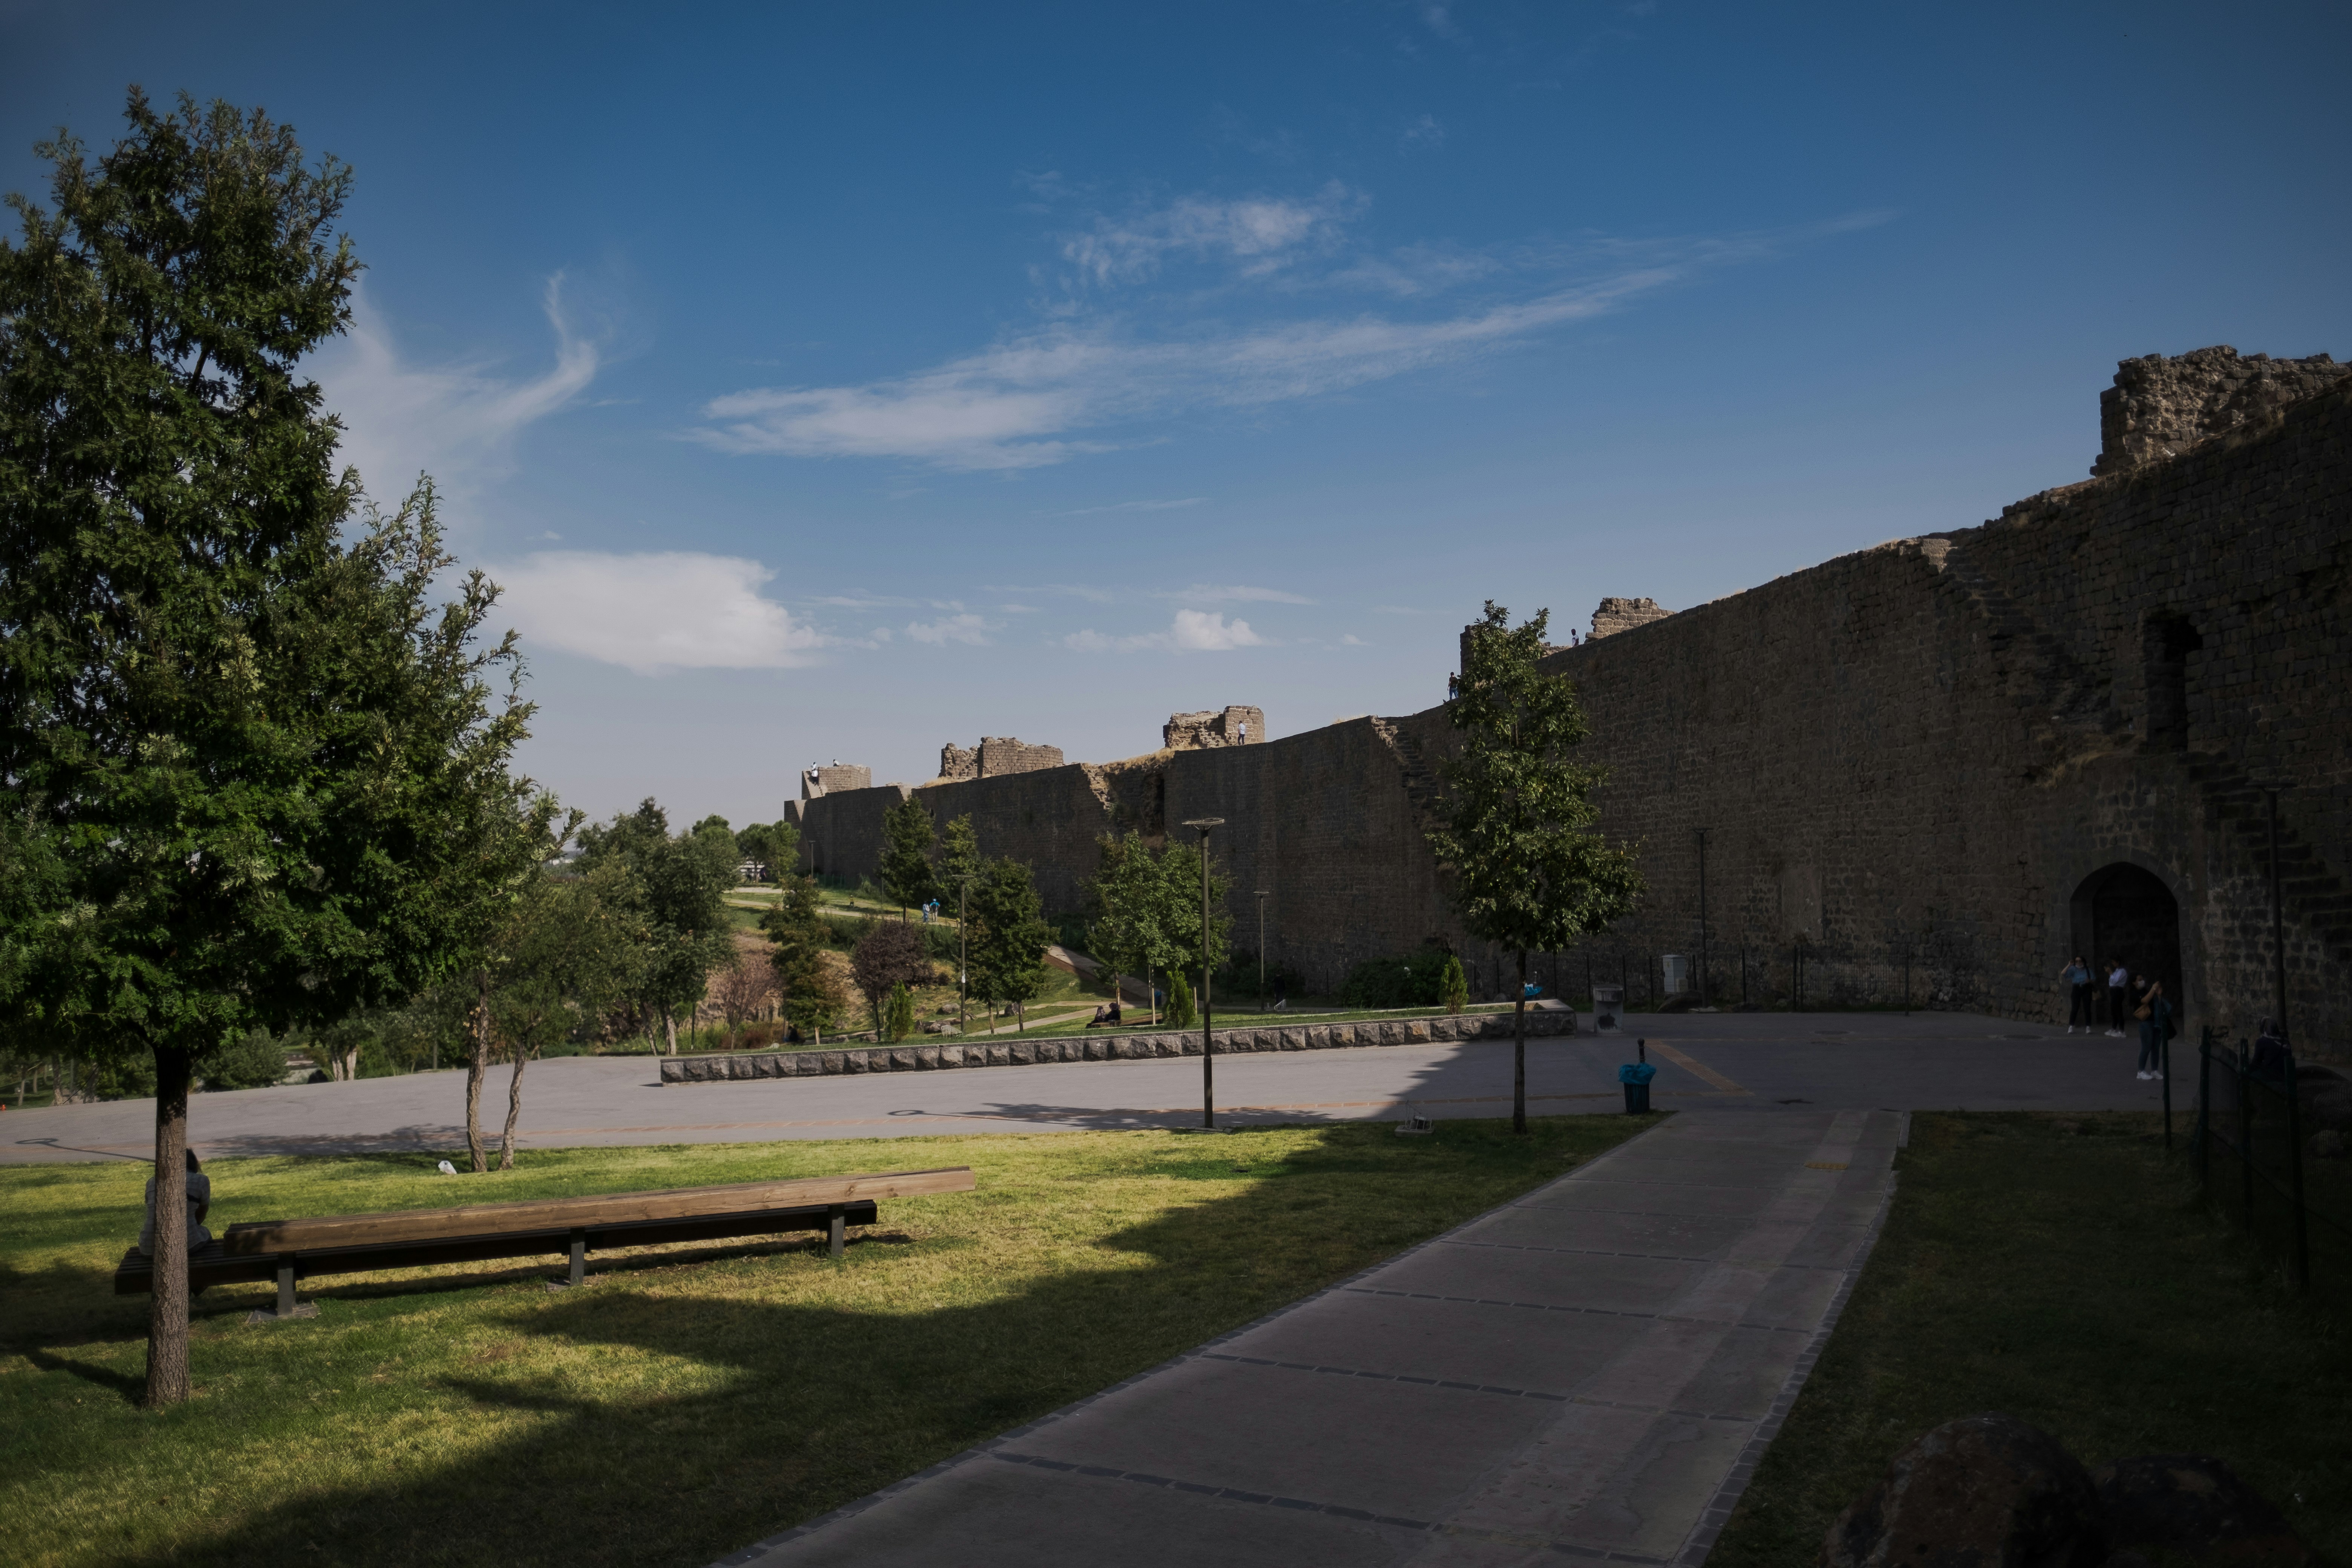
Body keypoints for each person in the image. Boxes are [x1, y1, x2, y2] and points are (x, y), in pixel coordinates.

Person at [139, 1148, 212, 1257]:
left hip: (148, 1247)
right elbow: (200, 1216)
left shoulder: (151, 1182)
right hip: (186, 1244)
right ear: (193, 1163)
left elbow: (150, 1208)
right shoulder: (201, 1181)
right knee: (206, 1234)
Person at [2134, 979, 2171, 1080]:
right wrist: (2153, 988)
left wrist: (2159, 995)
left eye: (2142, 979)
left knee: (2156, 1048)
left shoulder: (2150, 993)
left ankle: (2155, 1071)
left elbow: (2162, 1007)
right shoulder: (2137, 993)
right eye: (2139, 979)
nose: (2142, 981)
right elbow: (2144, 1001)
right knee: (2146, 1047)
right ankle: (2141, 1071)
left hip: (2156, 1024)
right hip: (2146, 1024)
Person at [2060, 955, 2093, 1032]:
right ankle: (2071, 1026)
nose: (2078, 963)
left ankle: (2088, 1027)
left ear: (2083, 962)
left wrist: (2090, 981)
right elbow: (2063, 973)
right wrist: (2069, 965)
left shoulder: (2088, 970)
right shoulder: (2073, 969)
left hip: (2086, 988)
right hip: (2077, 988)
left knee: (2087, 1008)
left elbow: (2093, 979)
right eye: (2077, 961)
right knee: (2075, 1008)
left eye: (2080, 961)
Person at [2104, 959, 2130, 1037]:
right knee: (2114, 1011)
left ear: (2118, 962)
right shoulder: (2117, 971)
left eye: (2114, 962)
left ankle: (2122, 1031)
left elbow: (2115, 981)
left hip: (2118, 991)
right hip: (2113, 991)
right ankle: (2114, 1028)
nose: (2113, 964)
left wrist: (2110, 972)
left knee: (2118, 1011)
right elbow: (2112, 981)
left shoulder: (2122, 971)